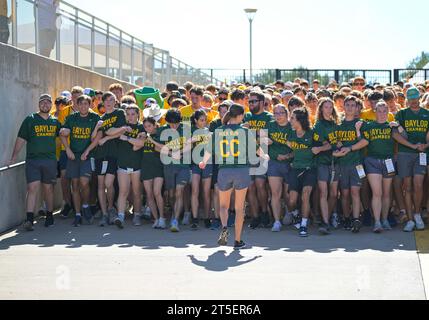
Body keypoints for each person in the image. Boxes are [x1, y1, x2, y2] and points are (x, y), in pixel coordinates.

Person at [199, 104, 269, 249]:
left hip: (224, 170)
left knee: (223, 206)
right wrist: (265, 156)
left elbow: (208, 150)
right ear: (240, 116)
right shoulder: (245, 131)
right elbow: (257, 150)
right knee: (239, 208)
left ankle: (224, 227)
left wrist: (203, 162)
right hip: (241, 171)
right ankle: (237, 241)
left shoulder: (218, 131)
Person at [9, 94, 61, 230]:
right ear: (39, 104)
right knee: (32, 188)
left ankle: (49, 215)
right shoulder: (30, 120)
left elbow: (63, 138)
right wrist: (14, 156)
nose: (45, 104)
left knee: (48, 189)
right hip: (33, 160)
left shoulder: (55, 122)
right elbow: (21, 138)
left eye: (48, 102)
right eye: (42, 102)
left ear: (51, 105)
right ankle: (29, 219)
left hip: (49, 160)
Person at [60, 95, 101, 227]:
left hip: (87, 155)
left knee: (84, 182)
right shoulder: (72, 118)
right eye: (81, 104)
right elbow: (63, 134)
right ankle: (77, 214)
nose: (83, 106)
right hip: (73, 156)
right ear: (77, 105)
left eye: (86, 103)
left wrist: (87, 151)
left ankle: (85, 206)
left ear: (90, 105)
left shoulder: (94, 117)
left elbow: (97, 137)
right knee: (75, 185)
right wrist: (67, 149)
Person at [149, 109, 192, 232]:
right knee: (172, 194)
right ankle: (174, 214)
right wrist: (171, 154)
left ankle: (175, 220)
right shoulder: (162, 130)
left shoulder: (186, 129)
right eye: (171, 124)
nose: (173, 126)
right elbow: (156, 147)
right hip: (168, 166)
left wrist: (179, 153)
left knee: (179, 191)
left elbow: (190, 145)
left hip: (183, 166)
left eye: (176, 123)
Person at [393, 87, 429, 231]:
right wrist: (412, 146)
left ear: (419, 98)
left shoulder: (427, 114)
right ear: (407, 100)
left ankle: (417, 213)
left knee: (419, 185)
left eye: (416, 98)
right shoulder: (401, 114)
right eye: (411, 98)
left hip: (421, 153)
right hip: (405, 153)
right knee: (407, 187)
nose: (414, 101)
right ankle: (409, 219)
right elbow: (395, 134)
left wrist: (425, 145)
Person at [361, 101, 399, 233]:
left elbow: (403, 138)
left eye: (385, 111)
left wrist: (399, 127)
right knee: (377, 192)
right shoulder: (369, 126)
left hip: (388, 161)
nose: (382, 114)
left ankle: (384, 219)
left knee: (386, 193)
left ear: (388, 112)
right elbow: (360, 140)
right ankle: (377, 222)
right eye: (379, 111)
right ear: (375, 112)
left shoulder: (391, 126)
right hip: (372, 161)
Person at [333, 95, 368, 233]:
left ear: (357, 107)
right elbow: (333, 141)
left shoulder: (360, 123)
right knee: (345, 193)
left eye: (353, 105)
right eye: (348, 105)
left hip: (357, 164)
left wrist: (350, 148)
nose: (350, 107)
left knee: (355, 191)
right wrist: (338, 144)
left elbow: (365, 142)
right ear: (344, 106)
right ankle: (346, 217)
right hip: (342, 164)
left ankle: (356, 219)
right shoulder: (338, 124)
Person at [91, 91, 126, 226]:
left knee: (108, 183)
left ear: (115, 101)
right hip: (100, 154)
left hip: (113, 153)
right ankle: (105, 213)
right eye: (106, 100)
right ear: (103, 103)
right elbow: (94, 138)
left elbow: (122, 130)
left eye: (111, 100)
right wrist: (97, 128)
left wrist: (106, 138)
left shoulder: (119, 113)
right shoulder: (101, 118)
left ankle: (111, 207)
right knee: (100, 185)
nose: (109, 102)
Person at [285, 108, 316, 237]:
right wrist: (287, 156)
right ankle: (296, 214)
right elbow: (294, 150)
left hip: (310, 169)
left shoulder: (312, 133)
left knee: (305, 195)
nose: (290, 120)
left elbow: (327, 145)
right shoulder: (290, 134)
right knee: (291, 200)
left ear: (300, 120)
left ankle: (303, 224)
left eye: (292, 118)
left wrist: (319, 148)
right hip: (295, 168)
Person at [113, 104, 145, 229]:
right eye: (128, 114)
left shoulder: (142, 127)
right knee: (123, 191)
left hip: (137, 165)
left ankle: (137, 214)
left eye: (133, 114)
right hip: (123, 164)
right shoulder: (122, 127)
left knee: (137, 192)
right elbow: (109, 132)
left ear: (138, 114)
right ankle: (120, 216)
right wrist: (123, 132)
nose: (130, 117)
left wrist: (126, 138)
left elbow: (140, 143)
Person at [312, 98, 340, 234]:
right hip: (322, 162)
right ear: (321, 109)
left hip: (336, 162)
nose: (328, 109)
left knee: (334, 194)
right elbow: (318, 147)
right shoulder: (318, 125)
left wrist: (332, 145)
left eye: (330, 107)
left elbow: (337, 143)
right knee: (324, 192)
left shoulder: (336, 123)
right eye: (326, 107)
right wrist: (330, 146)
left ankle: (326, 218)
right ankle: (325, 221)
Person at [265, 104, 293, 232]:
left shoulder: (292, 126)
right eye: (275, 113)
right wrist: (276, 155)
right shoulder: (270, 125)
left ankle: (290, 211)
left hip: (290, 163)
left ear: (287, 113)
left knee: (288, 194)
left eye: (281, 113)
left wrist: (287, 156)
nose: (278, 116)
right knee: (275, 193)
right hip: (274, 162)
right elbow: (263, 144)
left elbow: (298, 147)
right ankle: (276, 221)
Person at [137, 117, 166, 229]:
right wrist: (140, 137)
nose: (147, 128)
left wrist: (151, 140)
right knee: (149, 194)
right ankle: (156, 218)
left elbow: (164, 148)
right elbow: (135, 147)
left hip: (158, 167)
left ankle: (162, 218)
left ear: (154, 125)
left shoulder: (160, 134)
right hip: (146, 167)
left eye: (149, 126)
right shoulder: (144, 136)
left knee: (157, 192)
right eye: (145, 127)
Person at [189, 110, 213, 230]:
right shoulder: (191, 131)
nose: (204, 122)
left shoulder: (209, 131)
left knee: (206, 192)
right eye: (201, 120)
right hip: (195, 163)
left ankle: (207, 217)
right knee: (194, 190)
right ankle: (194, 218)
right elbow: (187, 142)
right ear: (195, 121)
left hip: (207, 163)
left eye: (205, 120)